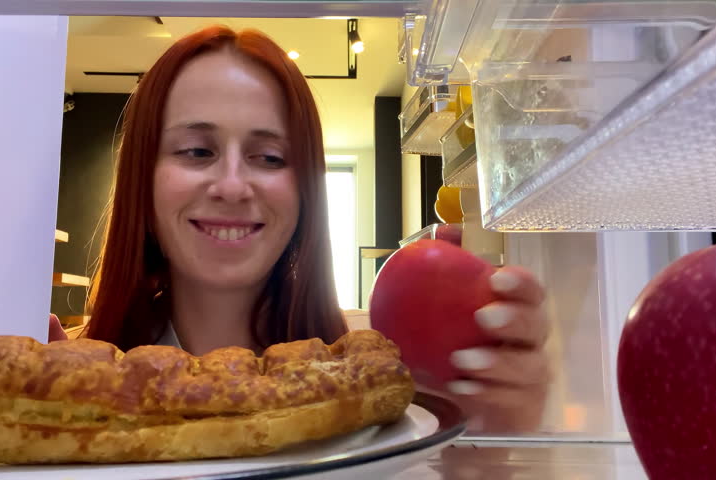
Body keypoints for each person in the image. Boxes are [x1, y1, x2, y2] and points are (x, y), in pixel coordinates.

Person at [48, 25, 550, 433]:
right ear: (142, 178)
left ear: (306, 191)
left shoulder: (375, 387)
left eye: (269, 157)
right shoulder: (68, 382)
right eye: (197, 151)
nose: (232, 186)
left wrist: (483, 449)